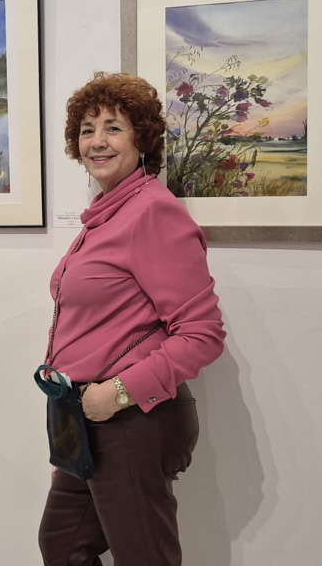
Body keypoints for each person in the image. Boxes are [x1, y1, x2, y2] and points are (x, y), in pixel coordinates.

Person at [38, 72, 225, 565]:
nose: (97, 140)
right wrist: (75, 414)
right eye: (86, 129)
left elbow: (202, 335)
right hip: (88, 418)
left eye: (113, 127)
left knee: (144, 557)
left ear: (141, 138)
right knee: (63, 544)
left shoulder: (152, 213)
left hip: (131, 419)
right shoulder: (107, 214)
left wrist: (114, 394)